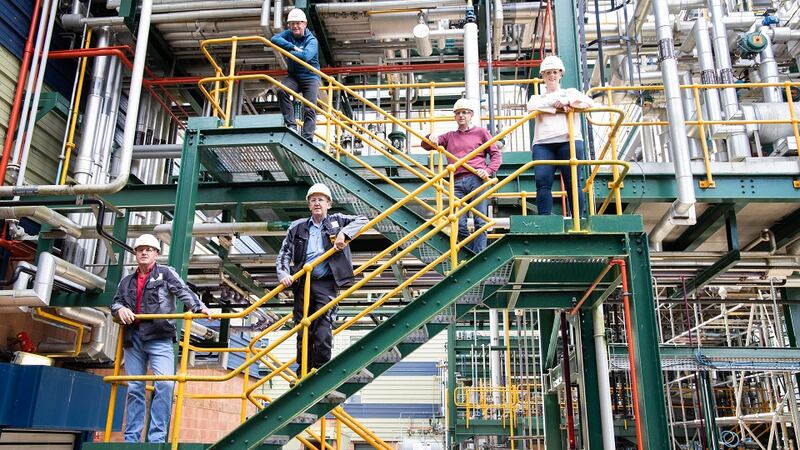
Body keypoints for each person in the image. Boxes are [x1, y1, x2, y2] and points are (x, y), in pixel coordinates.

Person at [111, 234, 212, 443]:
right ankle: (131, 438)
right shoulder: (126, 280)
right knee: (135, 388)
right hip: (133, 338)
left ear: (156, 254)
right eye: (140, 249)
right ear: (135, 253)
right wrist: (119, 309)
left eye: (149, 249)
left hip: (159, 337)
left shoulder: (165, 274)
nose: (144, 252)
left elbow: (182, 290)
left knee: (165, 384)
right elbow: (115, 303)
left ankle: (157, 438)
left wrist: (199, 307)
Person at [276, 183, 368, 374]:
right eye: (313, 200)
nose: (317, 203)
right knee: (303, 328)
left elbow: (363, 219)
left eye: (321, 200)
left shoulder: (337, 221)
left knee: (323, 328)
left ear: (329, 204)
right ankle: (304, 371)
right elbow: (284, 253)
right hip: (303, 282)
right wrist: (284, 274)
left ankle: (321, 370)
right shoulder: (297, 227)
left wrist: (344, 233)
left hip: (326, 283)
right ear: (309, 205)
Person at [421, 98, 502, 253]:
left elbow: (496, 155)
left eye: (465, 112)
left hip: (477, 179)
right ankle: (470, 253)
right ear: (455, 116)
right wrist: (430, 136)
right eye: (458, 113)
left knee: (480, 221)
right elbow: (426, 145)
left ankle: (477, 256)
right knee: (458, 223)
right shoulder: (450, 136)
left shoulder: (481, 133)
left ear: (471, 115)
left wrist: (488, 171)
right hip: (456, 181)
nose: (461, 115)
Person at [526, 55, 593, 217]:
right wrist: (555, 104)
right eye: (548, 72)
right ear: (542, 75)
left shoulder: (570, 92)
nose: (552, 75)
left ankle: (578, 218)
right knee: (542, 182)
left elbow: (588, 102)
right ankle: (544, 220)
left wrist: (567, 102)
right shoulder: (537, 97)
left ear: (561, 74)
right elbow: (531, 106)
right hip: (543, 143)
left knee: (573, 182)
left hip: (569, 140)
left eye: (555, 72)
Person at [271, 8, 321, 141]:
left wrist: (291, 53)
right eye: (292, 23)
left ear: (305, 24)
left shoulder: (312, 40)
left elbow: (306, 56)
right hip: (294, 76)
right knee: (282, 91)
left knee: (309, 107)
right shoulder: (288, 34)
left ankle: (307, 137)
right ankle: (291, 125)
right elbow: (274, 39)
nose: (295, 26)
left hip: (310, 77)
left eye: (298, 23)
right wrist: (292, 47)